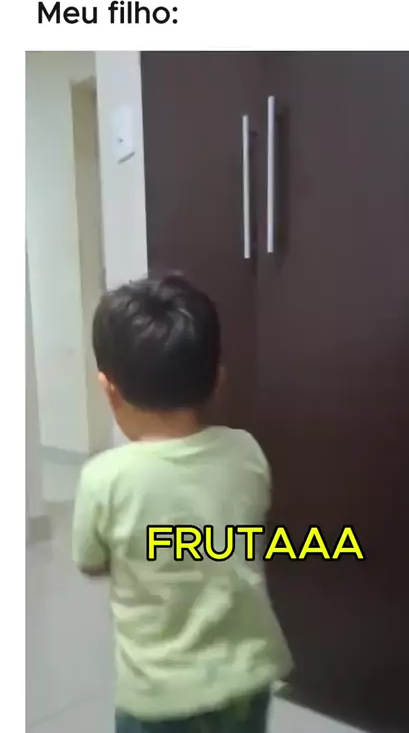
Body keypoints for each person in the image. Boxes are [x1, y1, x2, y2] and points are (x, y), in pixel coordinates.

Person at [72, 274, 292, 732]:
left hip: (160, 697)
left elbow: (91, 561)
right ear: (217, 380)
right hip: (246, 677)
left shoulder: (104, 478)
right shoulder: (246, 452)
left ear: (109, 389)